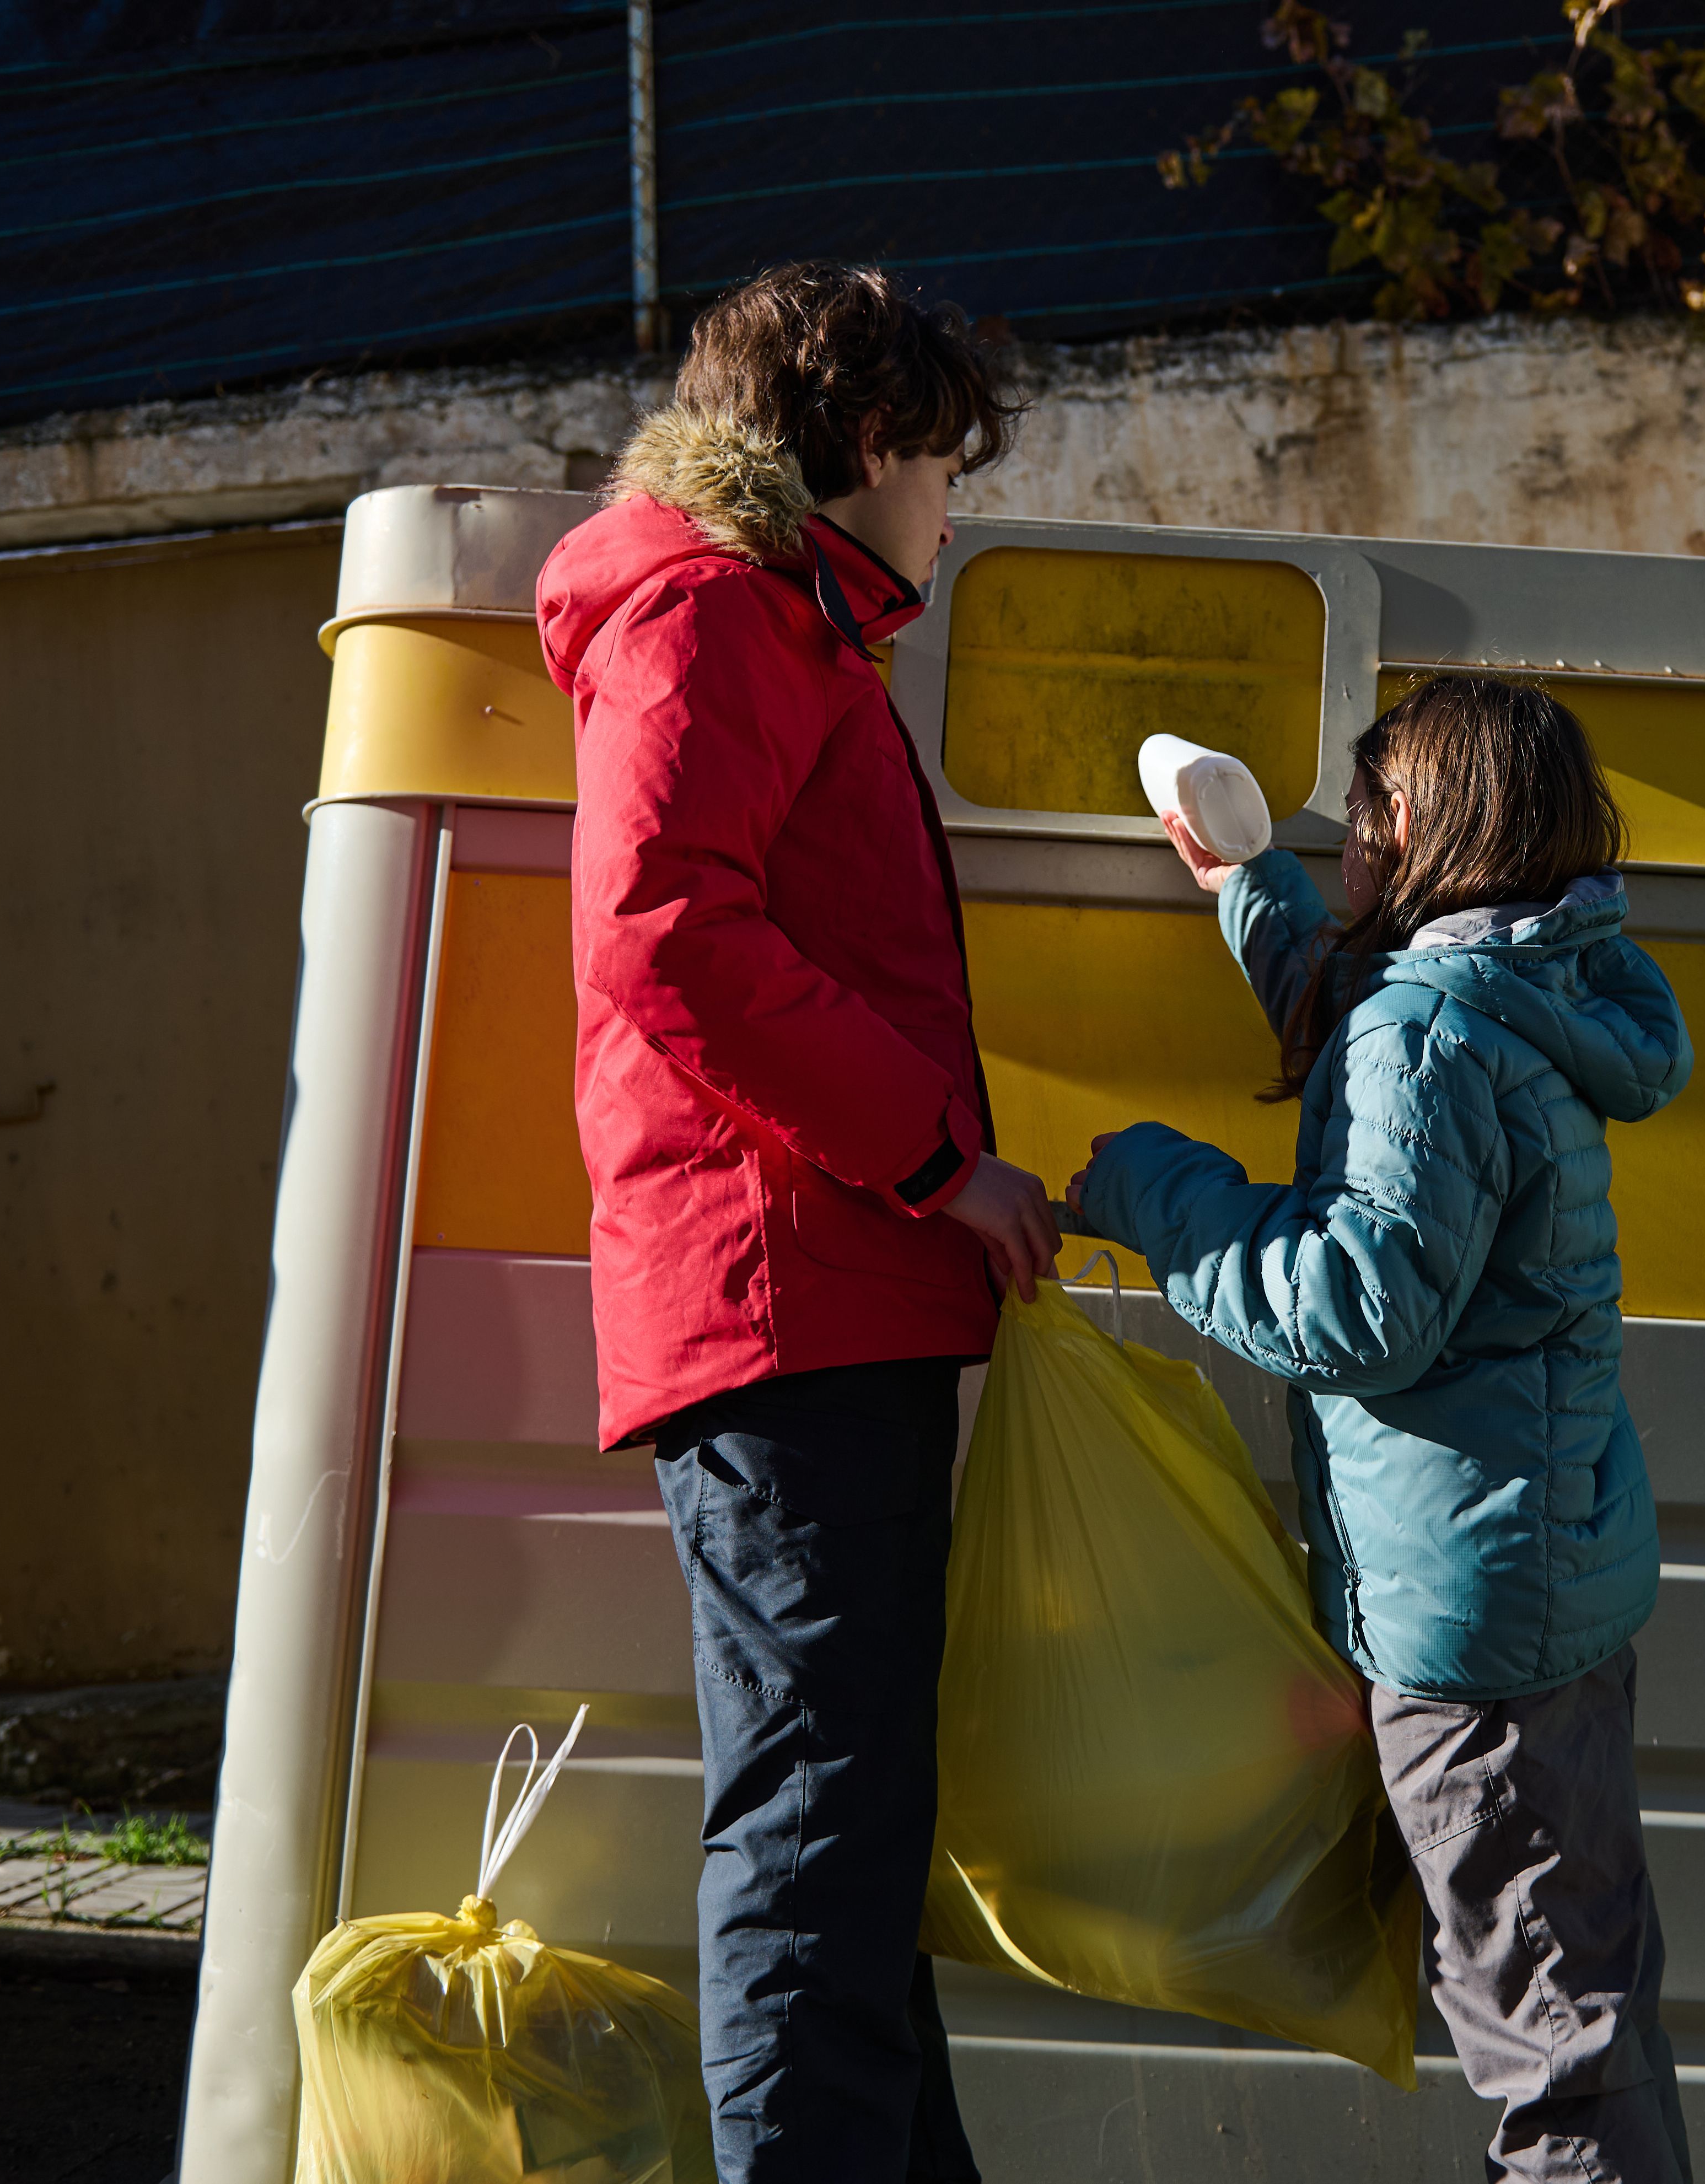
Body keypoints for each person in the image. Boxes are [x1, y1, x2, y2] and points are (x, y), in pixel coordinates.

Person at [535, 261, 1057, 2184]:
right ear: (864, 443)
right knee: (819, 1823)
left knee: (848, 1826)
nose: (952, 508)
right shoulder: (715, 611)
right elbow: (667, 935)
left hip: (817, 1295)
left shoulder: (774, 619)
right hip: (790, 1297)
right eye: (942, 463)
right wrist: (936, 1160)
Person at [1067, 675, 1698, 2183]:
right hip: (1538, 1573)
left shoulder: (1428, 1030)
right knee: (1585, 2005)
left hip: (1472, 1625)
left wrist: (1157, 1188)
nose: (1347, 830)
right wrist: (1247, 887)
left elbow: (1358, 1307)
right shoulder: (1521, 989)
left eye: (1366, 805)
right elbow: (1381, 1027)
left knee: (1554, 2043)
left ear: (1424, 823)